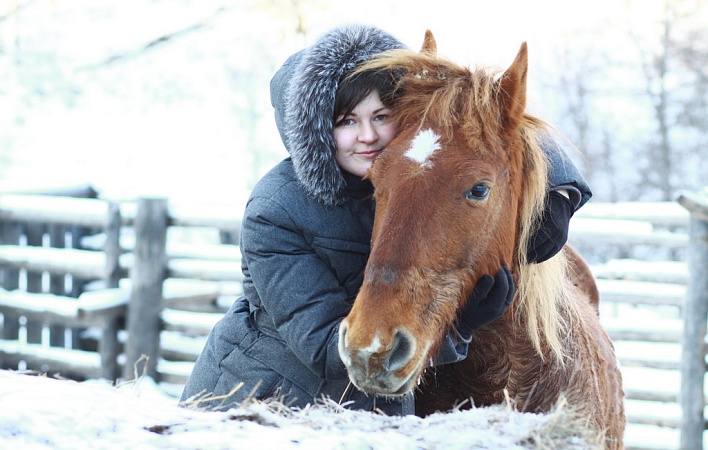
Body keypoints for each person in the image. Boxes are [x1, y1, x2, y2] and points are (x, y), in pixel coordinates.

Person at [180, 24, 591, 415]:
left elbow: (479, 130)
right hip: (255, 408)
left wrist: (558, 191)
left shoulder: (404, 176)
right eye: (346, 121)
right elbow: (338, 352)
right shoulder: (275, 211)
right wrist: (459, 328)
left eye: (381, 115)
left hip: (349, 414)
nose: (369, 136)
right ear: (315, 131)